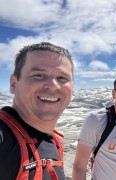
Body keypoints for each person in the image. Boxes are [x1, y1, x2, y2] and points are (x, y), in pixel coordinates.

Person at [0, 42, 74, 179]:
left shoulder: (53, 141)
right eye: (39, 75)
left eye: (62, 78)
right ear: (13, 84)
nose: (53, 85)